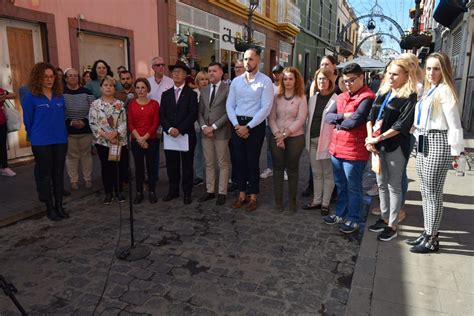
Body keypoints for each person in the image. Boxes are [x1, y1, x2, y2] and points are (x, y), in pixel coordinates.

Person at [407, 52, 464, 253]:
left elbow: (455, 124)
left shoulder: (446, 91)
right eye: (429, 68)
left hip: (438, 141)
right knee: (425, 191)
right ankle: (427, 232)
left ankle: (432, 239)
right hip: (423, 140)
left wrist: (457, 152)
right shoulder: (431, 90)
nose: (431, 72)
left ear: (444, 70)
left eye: (437, 68)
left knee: (432, 193)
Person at [365, 57, 417, 242]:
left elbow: (401, 125)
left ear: (405, 76)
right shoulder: (383, 92)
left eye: (395, 74)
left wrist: (377, 138)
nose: (391, 77)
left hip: (395, 147)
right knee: (381, 183)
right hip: (378, 145)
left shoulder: (409, 97)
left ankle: (392, 225)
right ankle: (384, 217)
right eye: (389, 73)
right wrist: (370, 138)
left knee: (393, 186)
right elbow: (371, 116)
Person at [323, 63, 375, 234]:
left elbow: (355, 121)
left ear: (361, 77)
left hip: (355, 152)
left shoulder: (367, 97)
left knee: (353, 187)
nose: (348, 84)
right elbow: (328, 117)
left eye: (352, 80)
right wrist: (343, 117)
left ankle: (354, 219)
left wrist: (340, 122)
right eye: (345, 81)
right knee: (341, 185)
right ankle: (340, 214)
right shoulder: (341, 96)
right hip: (337, 149)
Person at [226, 48, 274, 212]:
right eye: (245, 59)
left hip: (255, 125)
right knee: (239, 161)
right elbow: (230, 105)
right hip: (237, 124)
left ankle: (253, 196)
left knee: (252, 161)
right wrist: (236, 125)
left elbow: (266, 107)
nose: (248, 62)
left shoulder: (265, 81)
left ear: (258, 60)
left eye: (251, 59)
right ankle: (241, 194)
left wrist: (249, 126)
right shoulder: (236, 81)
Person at [22, 62, 69, 221]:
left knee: (58, 173)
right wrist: (35, 135)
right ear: (38, 78)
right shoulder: (30, 97)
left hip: (60, 139)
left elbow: (62, 117)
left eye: (51, 76)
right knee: (45, 175)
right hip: (41, 142)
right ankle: (50, 208)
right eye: (45, 77)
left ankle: (59, 205)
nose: (49, 79)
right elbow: (28, 121)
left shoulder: (59, 96)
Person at [268, 67, 307, 212]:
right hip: (276, 136)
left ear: (296, 80)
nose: (288, 81)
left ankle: (292, 201)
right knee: (277, 168)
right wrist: (278, 134)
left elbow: (301, 118)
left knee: (292, 169)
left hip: (295, 138)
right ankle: (278, 201)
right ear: (281, 80)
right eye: (285, 79)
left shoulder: (301, 97)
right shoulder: (276, 97)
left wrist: (286, 134)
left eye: (291, 78)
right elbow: (271, 117)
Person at [160, 60, 198, 205]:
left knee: (187, 166)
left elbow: (193, 114)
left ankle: (187, 193)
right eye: (174, 72)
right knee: (172, 165)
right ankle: (173, 191)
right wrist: (169, 129)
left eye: (179, 72)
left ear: (185, 75)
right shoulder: (166, 94)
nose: (176, 74)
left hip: (186, 135)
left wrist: (180, 129)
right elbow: (162, 115)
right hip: (170, 136)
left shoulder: (191, 94)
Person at [303, 55, 340, 198]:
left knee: (329, 172)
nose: (324, 66)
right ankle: (317, 197)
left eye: (327, 64)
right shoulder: (313, 97)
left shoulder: (338, 92)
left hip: (327, 140)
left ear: (334, 66)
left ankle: (327, 199)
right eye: (322, 64)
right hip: (312, 138)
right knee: (316, 172)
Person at [89, 76, 127, 204]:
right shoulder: (95, 105)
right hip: (103, 142)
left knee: (118, 166)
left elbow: (124, 122)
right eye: (106, 85)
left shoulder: (120, 104)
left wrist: (115, 134)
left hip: (117, 141)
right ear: (101, 88)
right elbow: (93, 123)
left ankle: (119, 191)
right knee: (106, 167)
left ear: (114, 88)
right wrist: (106, 135)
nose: (108, 87)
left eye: (111, 85)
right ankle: (108, 193)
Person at [198, 62, 231, 206]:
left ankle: (222, 192)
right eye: (209, 71)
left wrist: (214, 127)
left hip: (221, 132)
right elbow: (200, 111)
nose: (211, 73)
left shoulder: (228, 89)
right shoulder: (204, 89)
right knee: (209, 162)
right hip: (206, 132)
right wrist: (205, 127)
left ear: (221, 73)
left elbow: (229, 111)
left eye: (214, 71)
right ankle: (210, 190)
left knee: (223, 163)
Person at [128, 78, 160, 204]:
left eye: (143, 87)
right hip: (136, 140)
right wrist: (139, 138)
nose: (140, 90)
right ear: (135, 89)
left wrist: (145, 137)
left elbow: (155, 122)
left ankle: (152, 191)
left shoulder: (154, 104)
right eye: (138, 87)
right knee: (139, 167)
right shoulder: (131, 105)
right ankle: (139, 192)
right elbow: (130, 123)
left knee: (151, 167)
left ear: (147, 89)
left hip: (151, 140)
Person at [63, 68, 95, 190]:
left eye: (75, 76)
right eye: (70, 76)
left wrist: (84, 121)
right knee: (72, 156)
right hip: (69, 131)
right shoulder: (60, 93)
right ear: (65, 78)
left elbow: (93, 110)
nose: (73, 78)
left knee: (86, 155)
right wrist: (71, 122)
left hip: (85, 130)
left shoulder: (87, 92)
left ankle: (88, 179)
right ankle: (74, 181)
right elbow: (60, 111)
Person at [147, 56, 174, 182]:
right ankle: (154, 175)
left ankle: (171, 176)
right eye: (158, 65)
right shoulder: (147, 83)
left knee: (170, 149)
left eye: (163, 64)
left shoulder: (170, 82)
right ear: (152, 68)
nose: (161, 67)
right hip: (152, 121)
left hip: (167, 120)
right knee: (153, 149)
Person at [260, 64, 284, 180]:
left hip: (282, 122)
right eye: (275, 73)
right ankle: (270, 168)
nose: (276, 75)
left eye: (278, 72)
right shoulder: (269, 86)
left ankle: (283, 169)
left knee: (282, 146)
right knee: (269, 146)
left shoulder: (286, 87)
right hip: (269, 121)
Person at [228, 59, 245, 193]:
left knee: (247, 157)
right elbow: (229, 106)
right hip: (233, 125)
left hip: (247, 126)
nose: (237, 69)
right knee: (234, 156)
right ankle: (236, 181)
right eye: (235, 68)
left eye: (240, 67)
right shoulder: (231, 83)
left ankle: (246, 182)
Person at [192, 70, 210, 186]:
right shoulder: (193, 93)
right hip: (196, 127)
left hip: (210, 128)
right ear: (197, 81)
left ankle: (211, 176)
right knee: (198, 152)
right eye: (201, 79)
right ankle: (199, 175)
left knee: (210, 154)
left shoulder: (212, 92)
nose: (204, 82)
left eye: (206, 79)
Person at [0, 88, 17, 177]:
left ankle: (4, 167)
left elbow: (14, 95)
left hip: (2, 122)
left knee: (2, 145)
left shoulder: (0, 90)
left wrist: (5, 96)